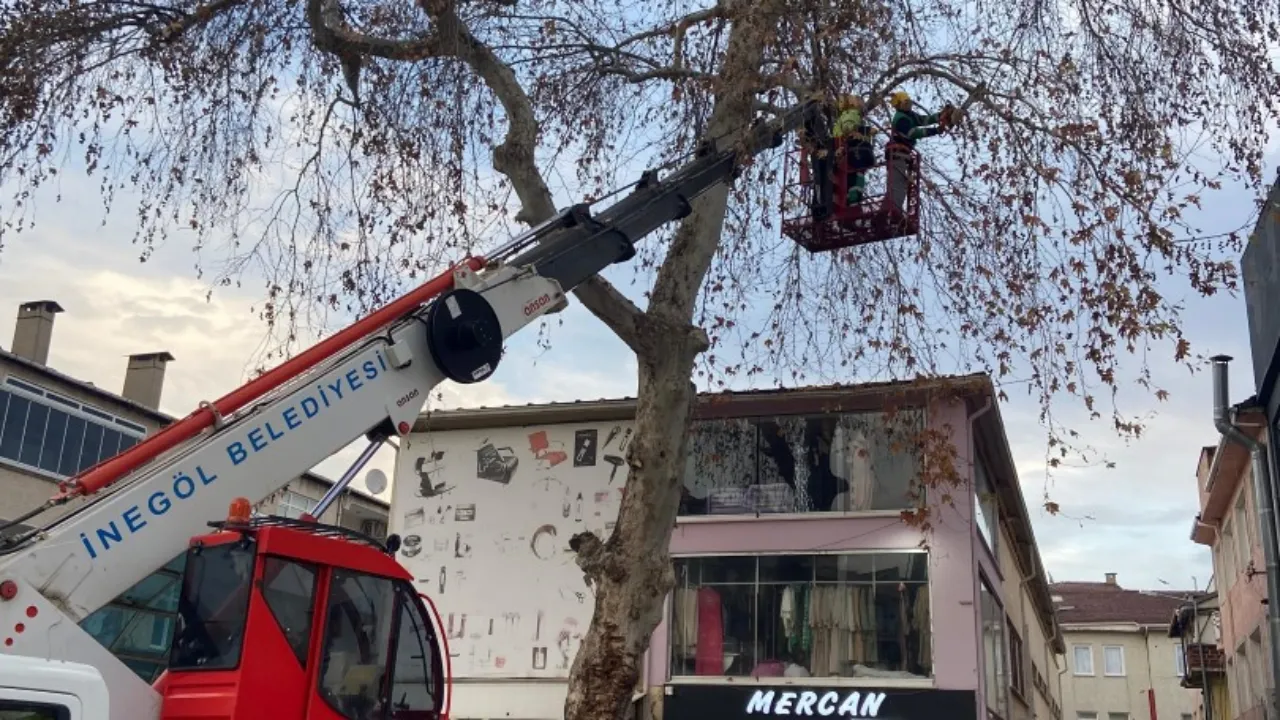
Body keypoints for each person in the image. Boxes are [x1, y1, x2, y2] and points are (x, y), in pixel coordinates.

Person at [831, 94, 877, 204]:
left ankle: (850, 197)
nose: (862, 102)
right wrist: (867, 130)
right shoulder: (852, 114)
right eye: (859, 100)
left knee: (852, 175)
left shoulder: (846, 115)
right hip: (854, 149)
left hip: (845, 149)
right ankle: (853, 197)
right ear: (852, 103)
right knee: (857, 173)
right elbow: (848, 128)